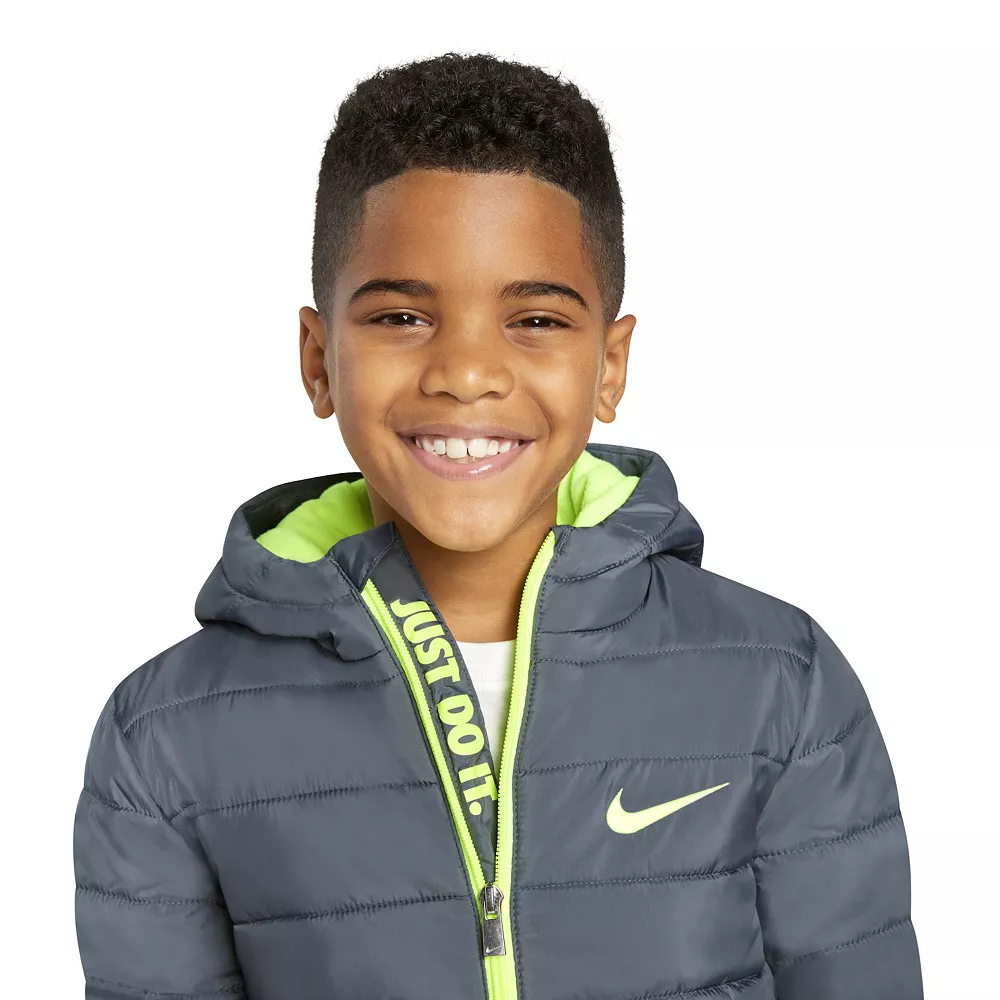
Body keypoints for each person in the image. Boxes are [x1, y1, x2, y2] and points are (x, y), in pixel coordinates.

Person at [72, 51, 923, 1000]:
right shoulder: (168, 737)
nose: (467, 373)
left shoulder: (779, 683)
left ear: (610, 365)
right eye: (401, 317)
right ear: (318, 359)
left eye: (537, 321)